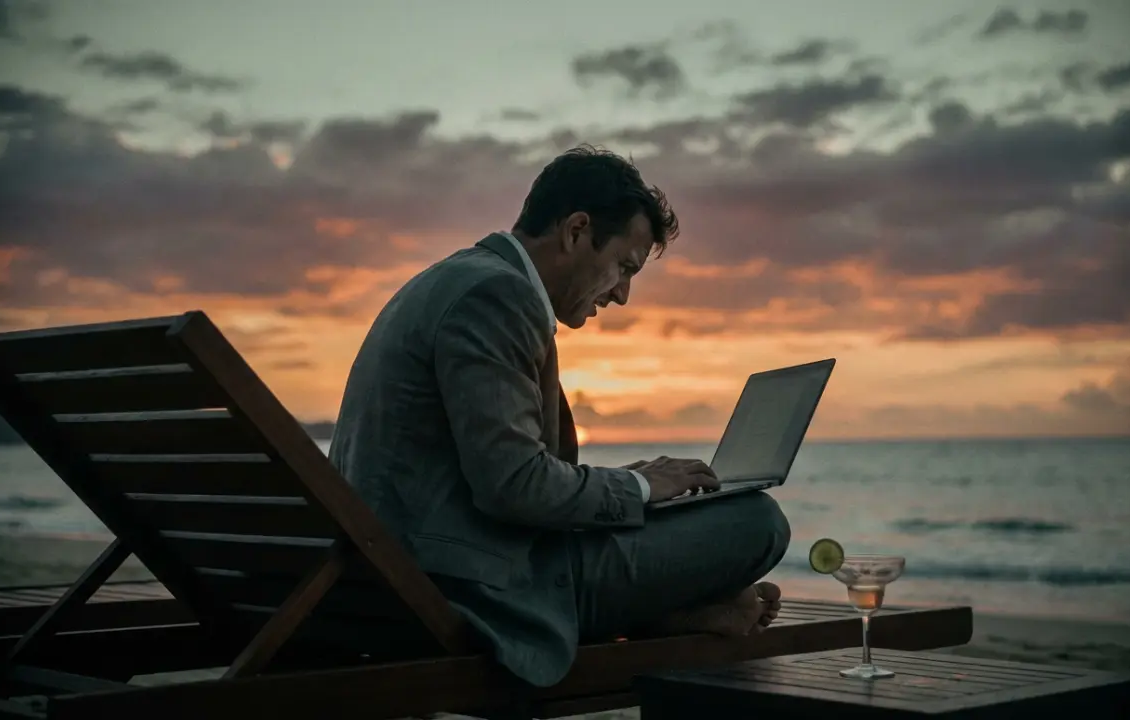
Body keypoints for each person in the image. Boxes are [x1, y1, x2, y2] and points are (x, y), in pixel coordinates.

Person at [328, 145, 791, 688]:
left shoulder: (448, 281)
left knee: (687, 514)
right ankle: (676, 609)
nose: (621, 295)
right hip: (469, 589)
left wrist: (634, 485)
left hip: (401, 573)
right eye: (623, 266)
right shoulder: (497, 296)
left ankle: (678, 610)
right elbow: (513, 486)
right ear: (576, 231)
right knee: (756, 523)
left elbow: (499, 472)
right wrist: (638, 489)